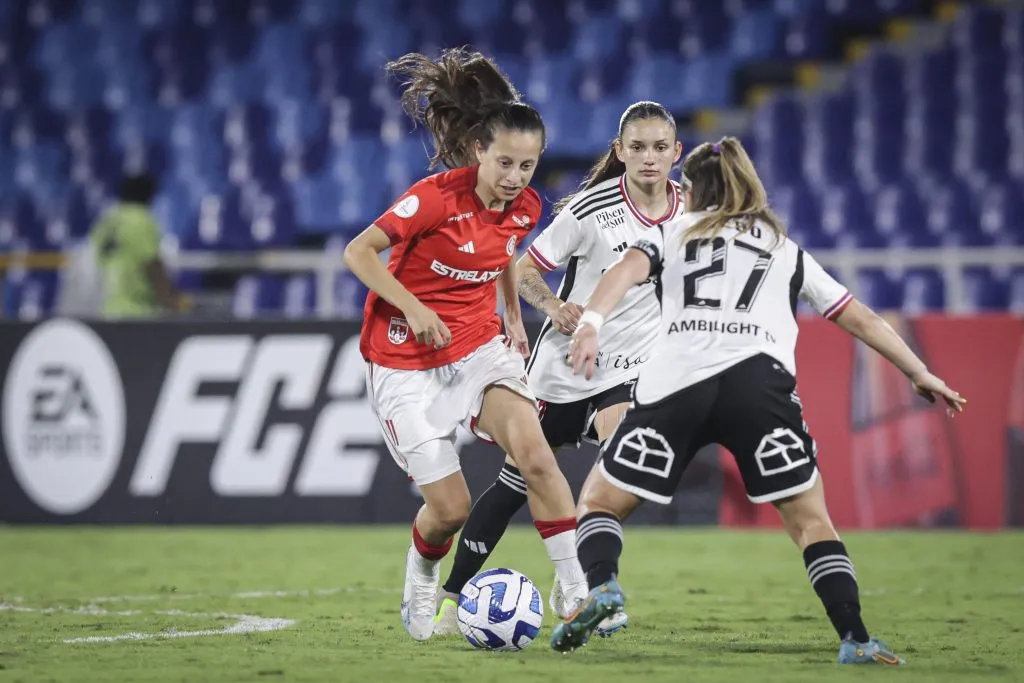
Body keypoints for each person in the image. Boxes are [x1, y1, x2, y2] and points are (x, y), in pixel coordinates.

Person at [551, 137, 967, 664]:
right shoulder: (782, 247)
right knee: (810, 521)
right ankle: (856, 638)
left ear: (694, 189)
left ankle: (604, 587)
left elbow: (622, 273)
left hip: (677, 383)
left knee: (599, 502)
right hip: (759, 388)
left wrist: (590, 323)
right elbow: (855, 313)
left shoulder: (672, 232)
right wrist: (919, 370)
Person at [342, 47, 589, 642]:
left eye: (527, 166)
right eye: (505, 162)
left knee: (534, 452)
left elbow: (501, 255)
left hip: (478, 347)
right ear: (479, 150)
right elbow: (357, 252)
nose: (515, 179)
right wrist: (414, 305)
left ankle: (577, 588)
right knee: (450, 509)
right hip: (404, 358)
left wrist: (511, 311)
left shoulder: (525, 207)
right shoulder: (434, 198)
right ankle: (422, 572)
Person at [433, 101, 684, 637]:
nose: (648, 158)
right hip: (562, 371)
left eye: (660, 147)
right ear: (619, 152)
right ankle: (453, 598)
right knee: (513, 485)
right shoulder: (590, 209)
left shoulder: (691, 211)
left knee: (621, 466)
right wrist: (552, 307)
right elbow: (523, 270)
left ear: (676, 153)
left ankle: (588, 585)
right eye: (637, 147)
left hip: (628, 369)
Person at [90, 173, 189, 318]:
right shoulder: (141, 219)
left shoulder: (107, 221)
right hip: (137, 311)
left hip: (107, 308)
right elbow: (152, 264)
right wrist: (170, 299)